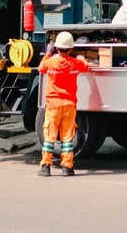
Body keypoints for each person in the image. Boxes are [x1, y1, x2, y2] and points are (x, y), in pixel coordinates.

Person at [37, 31, 91, 176]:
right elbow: (87, 67)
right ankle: (67, 167)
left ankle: (45, 167)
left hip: (53, 106)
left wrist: (48, 53)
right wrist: (82, 58)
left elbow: (41, 68)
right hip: (69, 105)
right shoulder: (75, 63)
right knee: (67, 138)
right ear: (71, 49)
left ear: (56, 48)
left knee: (50, 137)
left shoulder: (50, 62)